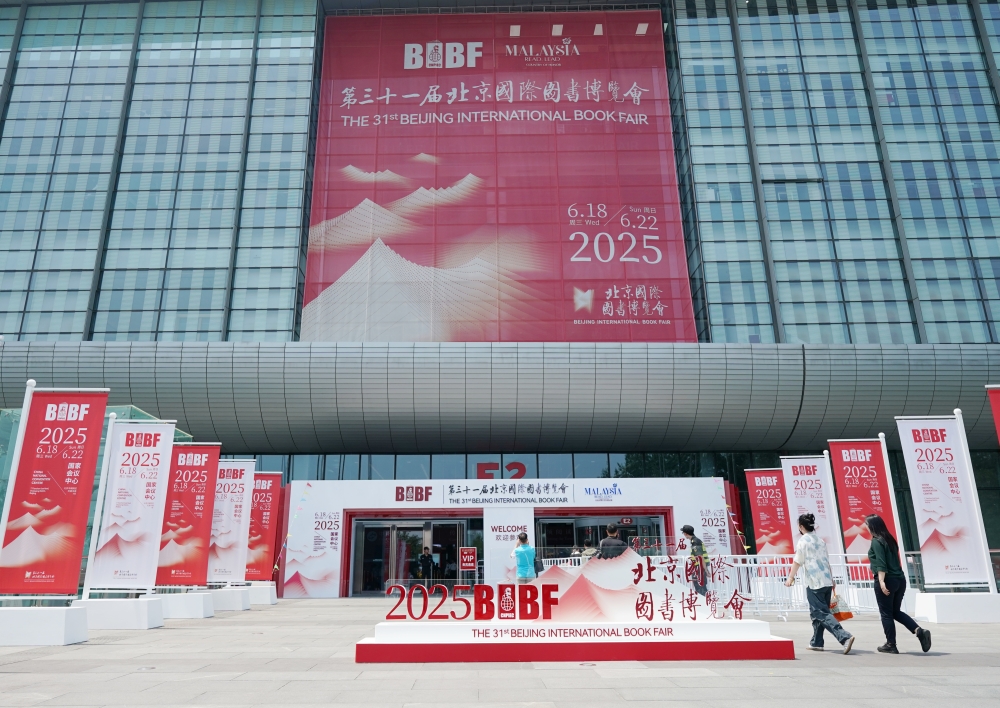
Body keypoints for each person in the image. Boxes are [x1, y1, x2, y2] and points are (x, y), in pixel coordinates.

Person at [784, 513, 855, 654]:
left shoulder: (803, 541)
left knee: (820, 612)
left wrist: (790, 578)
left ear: (801, 526)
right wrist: (832, 579)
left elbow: (798, 561)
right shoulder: (820, 540)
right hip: (826, 580)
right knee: (816, 612)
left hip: (814, 581)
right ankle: (816, 642)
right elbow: (826, 561)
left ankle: (844, 636)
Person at [866, 514, 931, 654]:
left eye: (867, 526)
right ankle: (919, 631)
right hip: (899, 580)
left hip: (887, 579)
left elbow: (881, 563)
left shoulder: (876, 541)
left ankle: (891, 644)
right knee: (895, 611)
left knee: (886, 614)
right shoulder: (890, 539)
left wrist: (882, 582)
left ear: (872, 526)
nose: (866, 529)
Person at [680, 524, 709, 596]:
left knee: (700, 587)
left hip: (699, 568)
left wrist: (706, 570)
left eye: (683, 533)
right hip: (699, 567)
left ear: (685, 533)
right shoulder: (695, 541)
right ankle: (704, 602)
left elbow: (700, 557)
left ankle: (704, 603)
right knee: (700, 586)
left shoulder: (695, 542)